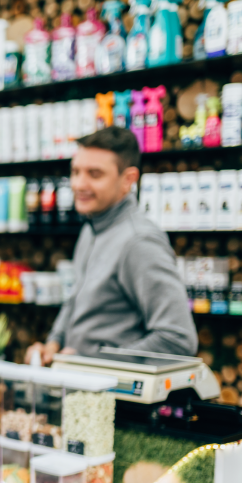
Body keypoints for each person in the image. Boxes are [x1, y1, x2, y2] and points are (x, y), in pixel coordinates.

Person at [26, 127, 198, 365]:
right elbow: (76, 299)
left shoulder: (139, 242)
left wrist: (92, 362)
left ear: (128, 180)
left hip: (117, 399)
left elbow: (178, 339)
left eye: (94, 174)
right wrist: (53, 343)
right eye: (75, 172)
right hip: (83, 391)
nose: (78, 184)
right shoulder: (91, 228)